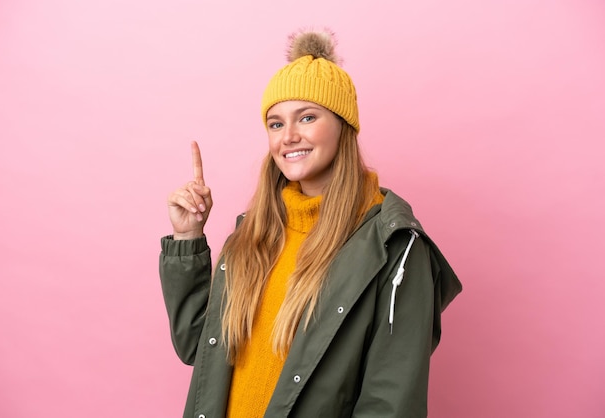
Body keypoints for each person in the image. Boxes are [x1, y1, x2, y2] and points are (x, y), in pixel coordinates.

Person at [159, 29, 462, 418]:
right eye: (275, 123)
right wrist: (188, 237)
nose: (290, 136)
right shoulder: (255, 233)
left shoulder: (395, 248)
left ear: (343, 125)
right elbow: (198, 350)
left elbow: (391, 404)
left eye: (307, 117)